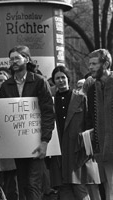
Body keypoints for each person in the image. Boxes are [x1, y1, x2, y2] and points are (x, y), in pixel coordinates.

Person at [0, 45, 55, 200]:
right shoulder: (6, 86)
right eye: (11, 59)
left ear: (27, 59)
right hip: (18, 145)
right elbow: (3, 116)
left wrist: (45, 141)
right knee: (23, 183)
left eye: (17, 58)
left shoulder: (39, 82)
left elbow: (48, 113)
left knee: (33, 183)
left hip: (36, 142)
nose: (13, 61)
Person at [48, 66, 100, 200]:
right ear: (53, 81)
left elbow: (90, 123)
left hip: (78, 150)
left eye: (63, 77)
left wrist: (88, 146)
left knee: (80, 188)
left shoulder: (81, 98)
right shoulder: (50, 101)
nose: (60, 80)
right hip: (58, 151)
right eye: (57, 78)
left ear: (68, 79)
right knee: (64, 188)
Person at [86, 49, 113, 200]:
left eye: (94, 64)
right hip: (102, 148)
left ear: (106, 64)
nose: (90, 67)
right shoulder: (92, 89)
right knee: (108, 188)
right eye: (89, 64)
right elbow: (91, 117)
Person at [0, 72, 18, 200]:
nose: (3, 83)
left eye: (5, 80)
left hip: (8, 147)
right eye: (0, 80)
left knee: (11, 181)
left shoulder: (11, 100)